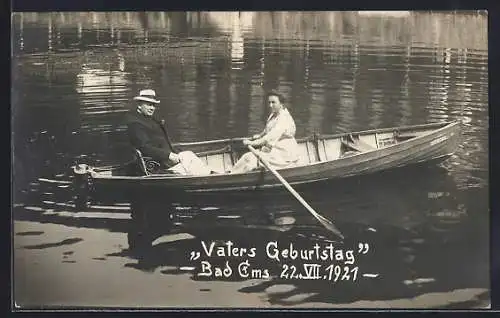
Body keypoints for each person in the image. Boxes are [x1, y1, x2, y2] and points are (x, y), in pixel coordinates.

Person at [126, 89, 213, 175]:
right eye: (149, 105)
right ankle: (210, 176)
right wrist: (168, 155)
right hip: (155, 167)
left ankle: (209, 175)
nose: (152, 108)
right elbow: (144, 147)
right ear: (139, 105)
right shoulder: (136, 124)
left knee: (188, 155)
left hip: (163, 161)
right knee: (189, 159)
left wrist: (172, 153)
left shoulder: (148, 119)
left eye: (154, 105)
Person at [229, 90, 300, 174]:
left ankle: (233, 176)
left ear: (281, 104)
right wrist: (260, 135)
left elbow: (267, 139)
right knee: (247, 156)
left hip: (284, 155)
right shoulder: (274, 114)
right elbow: (267, 130)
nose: (270, 105)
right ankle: (231, 173)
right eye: (269, 102)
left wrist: (251, 143)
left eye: (273, 102)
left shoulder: (283, 119)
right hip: (274, 149)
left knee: (250, 159)